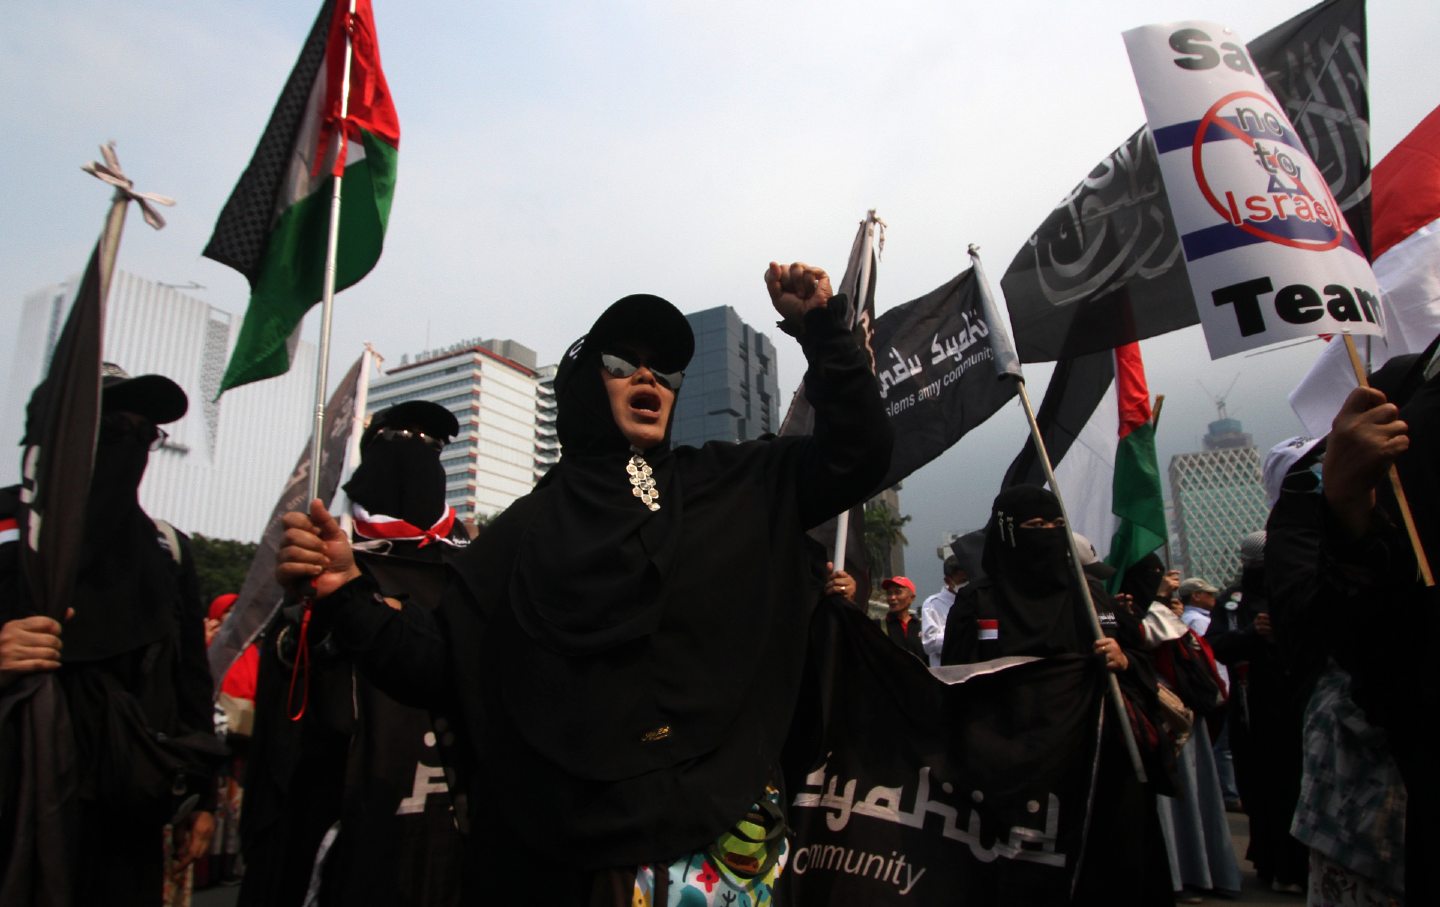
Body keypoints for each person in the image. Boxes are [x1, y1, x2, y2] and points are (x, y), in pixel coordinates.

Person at [275, 262, 891, 904]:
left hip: (728, 854)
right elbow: (440, 660)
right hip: (570, 864)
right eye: (624, 361)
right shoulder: (526, 533)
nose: (648, 376)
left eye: (666, 369)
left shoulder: (736, 482)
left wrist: (822, 329)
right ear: (587, 384)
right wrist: (346, 593)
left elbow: (859, 455)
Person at [0, 364, 220, 906]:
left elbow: (190, 680)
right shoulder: (8, 530)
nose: (131, 446)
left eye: (144, 434)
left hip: (125, 813)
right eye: (110, 429)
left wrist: (202, 797)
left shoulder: (165, 551)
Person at [240, 400, 469, 907]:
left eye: (431, 444)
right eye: (399, 439)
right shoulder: (325, 557)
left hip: (457, 824)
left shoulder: (475, 566)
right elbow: (286, 707)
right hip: (347, 821)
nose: (416, 450)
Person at [918, 555, 967, 667]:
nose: (966, 584)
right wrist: (961, 635)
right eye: (962, 581)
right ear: (948, 581)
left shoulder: (973, 600)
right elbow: (929, 643)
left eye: (968, 580)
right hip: (945, 672)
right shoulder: (932, 605)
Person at [880, 576, 926, 661]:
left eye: (898, 592)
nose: (892, 598)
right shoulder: (879, 626)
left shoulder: (922, 627)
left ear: (912, 598)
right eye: (889, 593)